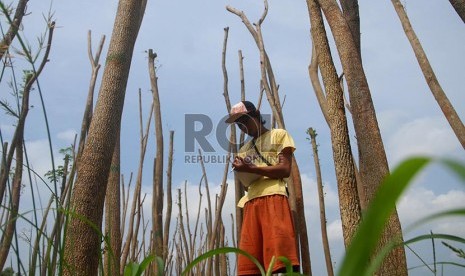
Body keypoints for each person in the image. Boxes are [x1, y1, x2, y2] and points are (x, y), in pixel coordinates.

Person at [225, 100, 300, 275]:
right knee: (251, 264)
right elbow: (247, 182)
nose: (243, 126)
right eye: (239, 124)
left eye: (245, 120)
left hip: (274, 197)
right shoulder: (244, 150)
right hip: (251, 203)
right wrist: (244, 171)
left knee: (281, 258)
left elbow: (285, 169)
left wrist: (254, 169)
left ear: (256, 115)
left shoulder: (278, 135)